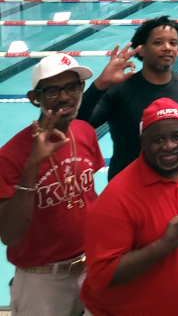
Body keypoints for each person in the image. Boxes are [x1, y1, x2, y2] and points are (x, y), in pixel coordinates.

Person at [80, 98, 178, 316]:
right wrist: (165, 245)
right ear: (142, 140)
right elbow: (101, 276)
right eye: (158, 139)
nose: (169, 146)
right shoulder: (118, 197)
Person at [0, 55, 102, 316]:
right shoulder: (10, 155)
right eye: (53, 90)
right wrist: (32, 164)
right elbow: (9, 235)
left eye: (72, 87)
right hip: (41, 280)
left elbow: (88, 194)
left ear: (81, 88)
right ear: (36, 98)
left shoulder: (85, 132)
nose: (65, 97)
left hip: (90, 266)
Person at [78, 17, 178, 178]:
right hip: (129, 186)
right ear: (141, 49)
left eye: (173, 43)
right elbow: (78, 125)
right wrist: (100, 84)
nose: (167, 48)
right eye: (158, 43)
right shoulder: (119, 90)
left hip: (175, 183)